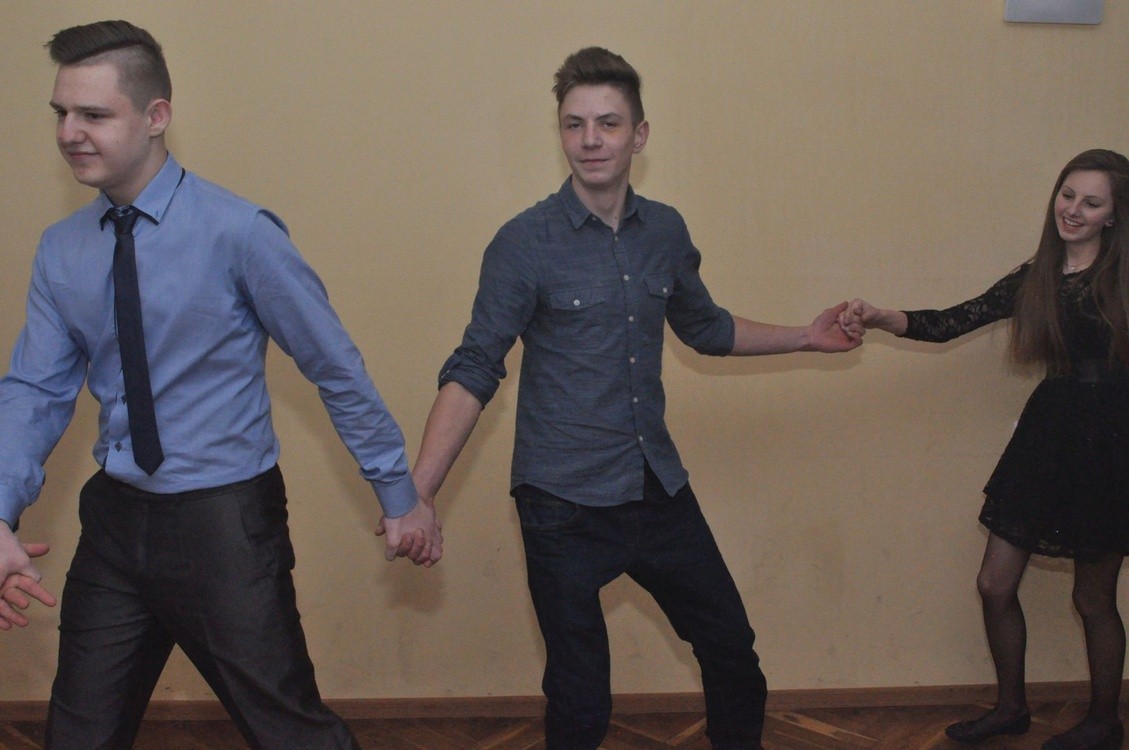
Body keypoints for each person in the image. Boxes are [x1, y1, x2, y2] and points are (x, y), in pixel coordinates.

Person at [0, 20, 441, 750]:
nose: (70, 133)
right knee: (77, 735)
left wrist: (398, 493)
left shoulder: (240, 233)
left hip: (225, 524)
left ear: (156, 116)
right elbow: (34, 392)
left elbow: (333, 366)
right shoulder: (61, 250)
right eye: (61, 113)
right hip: (114, 525)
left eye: (94, 114)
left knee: (291, 733)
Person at [406, 46, 861, 750]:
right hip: (560, 501)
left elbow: (706, 329)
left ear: (638, 135)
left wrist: (806, 335)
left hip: (654, 488)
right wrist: (419, 491)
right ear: (561, 134)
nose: (590, 139)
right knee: (581, 697)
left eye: (608, 123)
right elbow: (474, 367)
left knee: (732, 653)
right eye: (574, 124)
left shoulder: (666, 232)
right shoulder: (523, 243)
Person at [842, 149, 1129, 750]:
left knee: (1092, 597)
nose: (1073, 210)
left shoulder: (1124, 275)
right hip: (1048, 436)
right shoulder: (1040, 274)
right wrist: (880, 316)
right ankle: (1011, 709)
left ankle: (1105, 721)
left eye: (1091, 202)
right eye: (1067, 194)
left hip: (1111, 445)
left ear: (1114, 214)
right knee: (995, 584)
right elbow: (953, 321)